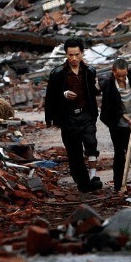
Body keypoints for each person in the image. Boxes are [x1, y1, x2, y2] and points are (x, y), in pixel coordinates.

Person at [44, 37, 102, 193]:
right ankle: (84, 184)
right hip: (68, 118)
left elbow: (95, 91)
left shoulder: (89, 71)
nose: (74, 58)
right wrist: (62, 95)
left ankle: (93, 176)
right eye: (70, 55)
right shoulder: (58, 73)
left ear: (82, 53)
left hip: (86, 115)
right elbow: (50, 96)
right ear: (66, 55)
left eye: (77, 54)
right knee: (74, 153)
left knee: (91, 143)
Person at [99, 58, 131, 192]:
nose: (121, 78)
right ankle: (119, 184)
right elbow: (110, 107)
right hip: (117, 122)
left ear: (127, 71)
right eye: (118, 75)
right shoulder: (108, 84)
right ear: (113, 72)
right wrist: (125, 118)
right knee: (120, 154)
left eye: (124, 75)